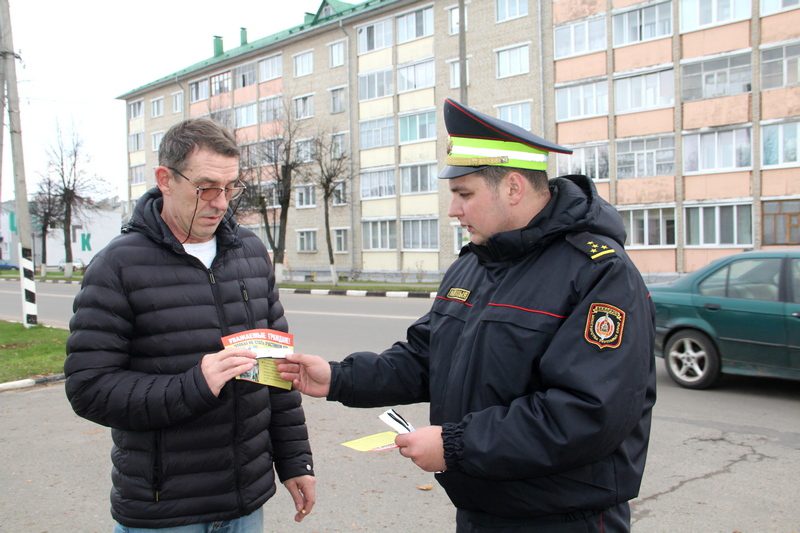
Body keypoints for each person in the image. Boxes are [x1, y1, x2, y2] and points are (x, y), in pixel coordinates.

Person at [279, 98, 656, 532]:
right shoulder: (475, 262)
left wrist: (455, 445)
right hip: (482, 508)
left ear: (513, 187)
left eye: (464, 194)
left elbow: (587, 413)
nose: (454, 210)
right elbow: (427, 356)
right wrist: (339, 377)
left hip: (564, 518)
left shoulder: (599, 272)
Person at [65, 118, 315, 531]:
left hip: (245, 504)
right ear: (165, 179)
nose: (221, 202)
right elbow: (88, 389)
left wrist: (294, 460)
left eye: (231, 187)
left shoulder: (250, 253)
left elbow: (277, 371)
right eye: (206, 188)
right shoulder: (118, 265)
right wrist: (193, 385)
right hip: (166, 511)